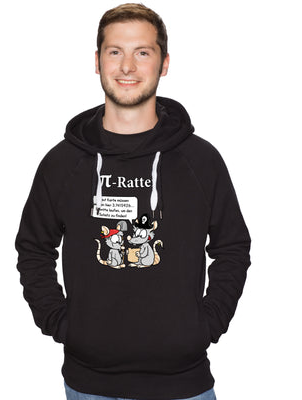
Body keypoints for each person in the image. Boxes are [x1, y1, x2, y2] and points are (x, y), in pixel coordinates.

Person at [15, 3, 251, 400]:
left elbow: (232, 247)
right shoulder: (63, 163)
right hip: (89, 384)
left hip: (184, 384)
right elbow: (34, 248)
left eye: (142, 52)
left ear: (164, 63)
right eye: (115, 52)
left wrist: (207, 324)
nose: (127, 66)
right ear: (97, 62)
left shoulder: (200, 161)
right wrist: (60, 322)